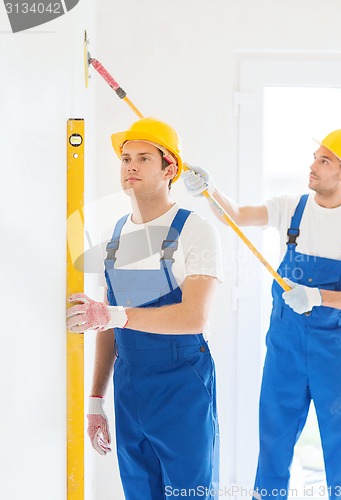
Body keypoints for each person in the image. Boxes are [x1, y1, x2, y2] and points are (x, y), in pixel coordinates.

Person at [182, 128, 341, 500]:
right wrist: (209, 189)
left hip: (333, 352)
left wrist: (320, 296)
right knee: (274, 438)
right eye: (315, 157)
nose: (313, 166)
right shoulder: (292, 209)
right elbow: (234, 216)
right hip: (284, 347)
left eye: (324, 160)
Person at [67, 117, 222, 500]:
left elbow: (194, 317)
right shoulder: (113, 236)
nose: (130, 166)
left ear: (170, 168)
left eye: (143, 158)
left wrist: (113, 315)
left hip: (182, 382)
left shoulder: (194, 230)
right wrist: (95, 400)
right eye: (125, 158)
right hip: (130, 384)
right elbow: (108, 327)